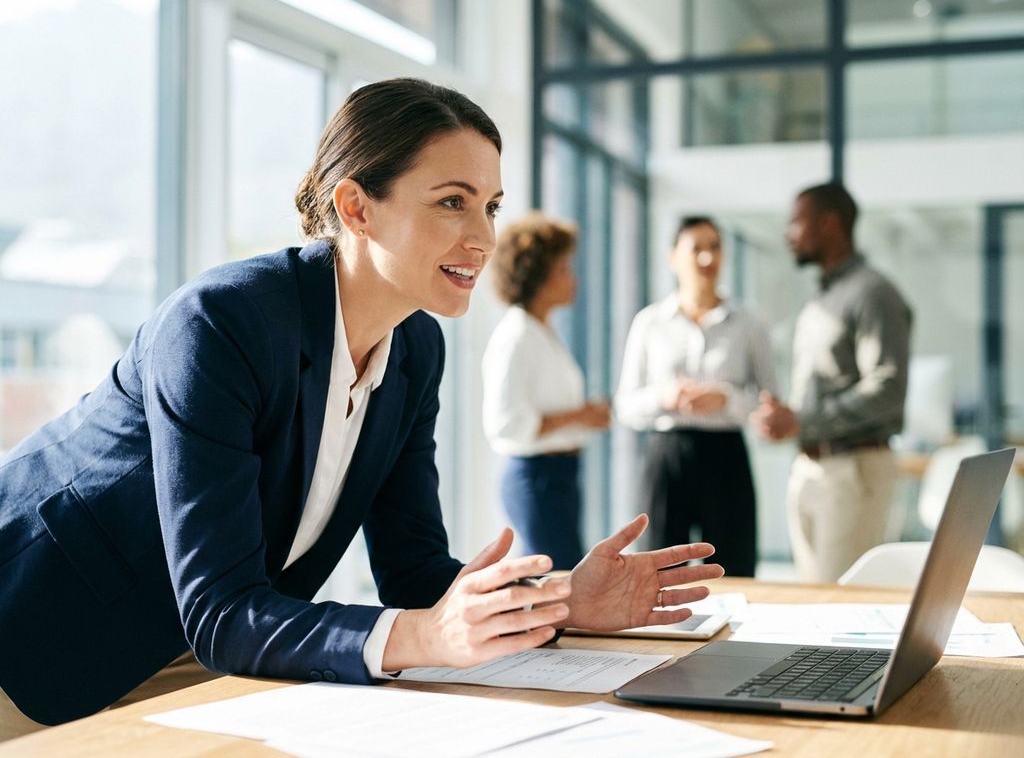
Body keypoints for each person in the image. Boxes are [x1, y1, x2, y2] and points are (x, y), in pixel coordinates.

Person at [0, 78, 724, 737]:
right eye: (452, 201)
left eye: (491, 205)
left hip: (199, 659)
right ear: (356, 207)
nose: (484, 237)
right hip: (36, 636)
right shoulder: (221, 323)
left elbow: (412, 572)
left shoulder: (416, 351)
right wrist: (427, 635)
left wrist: (563, 600)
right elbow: (223, 607)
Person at [751, 182, 912, 583]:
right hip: (811, 468)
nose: (789, 235)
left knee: (841, 603)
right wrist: (787, 417)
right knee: (813, 600)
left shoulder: (873, 293)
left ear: (829, 223)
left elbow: (888, 389)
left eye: (796, 223)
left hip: (852, 469)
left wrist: (804, 421)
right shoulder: (821, 299)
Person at [615, 216, 776, 577]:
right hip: (668, 455)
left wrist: (727, 399)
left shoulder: (749, 323)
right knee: (658, 570)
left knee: (734, 569)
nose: (708, 258)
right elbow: (625, 406)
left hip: (727, 457)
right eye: (697, 248)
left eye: (715, 247)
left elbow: (770, 403)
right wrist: (665, 397)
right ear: (673, 258)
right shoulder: (650, 322)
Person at [481, 214, 611, 569]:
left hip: (559, 476)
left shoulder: (542, 331)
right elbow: (505, 425)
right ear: (539, 274)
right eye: (564, 269)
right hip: (537, 477)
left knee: (561, 576)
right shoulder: (516, 337)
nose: (573, 279)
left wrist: (582, 416)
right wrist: (580, 416)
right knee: (554, 578)